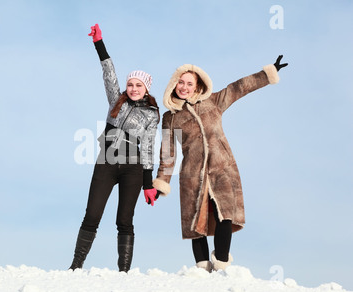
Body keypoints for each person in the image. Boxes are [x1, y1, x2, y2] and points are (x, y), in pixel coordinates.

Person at [153, 56, 288, 272]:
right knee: (195, 221)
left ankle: (221, 265)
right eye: (181, 82)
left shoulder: (214, 101)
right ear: (174, 84)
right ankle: (201, 270)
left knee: (225, 213)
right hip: (192, 173)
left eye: (190, 83)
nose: (185, 87)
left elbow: (239, 88)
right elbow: (168, 153)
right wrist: (161, 182)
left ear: (197, 86)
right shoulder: (171, 118)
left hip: (222, 168)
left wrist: (267, 73)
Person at [69, 24, 160, 272]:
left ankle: (124, 273)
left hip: (133, 168)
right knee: (92, 215)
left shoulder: (152, 114)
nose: (133, 88)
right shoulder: (115, 101)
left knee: (124, 220)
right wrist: (99, 43)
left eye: (138, 85)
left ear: (146, 88)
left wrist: (148, 183)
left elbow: (150, 146)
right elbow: (108, 73)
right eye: (130, 84)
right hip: (107, 162)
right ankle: (76, 266)